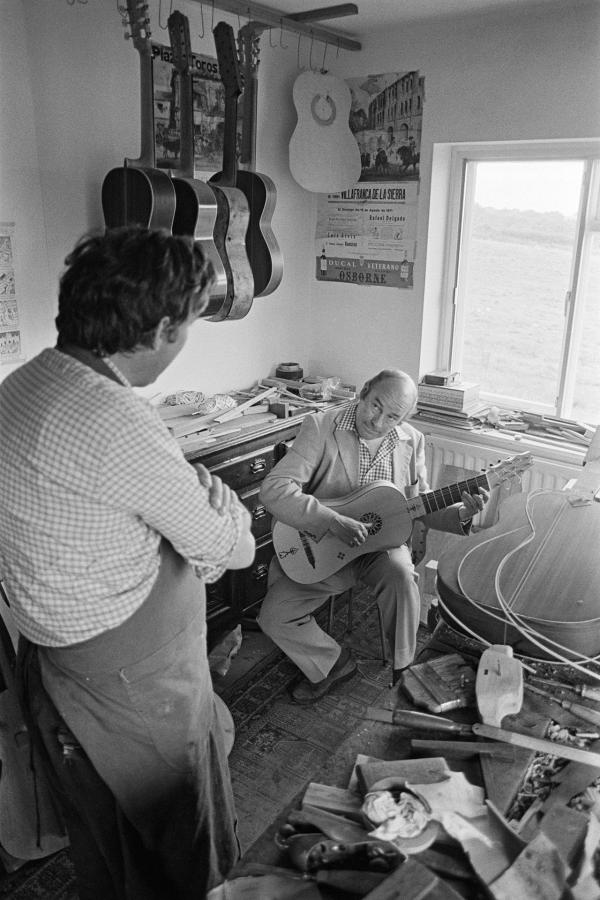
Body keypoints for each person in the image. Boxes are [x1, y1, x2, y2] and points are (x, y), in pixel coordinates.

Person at [0, 226, 255, 899]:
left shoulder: (18, 387)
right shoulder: (118, 423)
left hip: (60, 671)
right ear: (163, 328)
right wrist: (221, 503)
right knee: (180, 849)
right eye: (189, 326)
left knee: (106, 846)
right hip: (137, 690)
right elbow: (231, 546)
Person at [257, 369, 487, 704]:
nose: (378, 421)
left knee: (402, 573)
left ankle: (404, 670)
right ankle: (333, 664)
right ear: (364, 392)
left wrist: (464, 513)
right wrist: (331, 520)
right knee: (273, 617)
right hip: (324, 547)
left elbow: (416, 504)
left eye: (393, 416)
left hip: (380, 548)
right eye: (375, 406)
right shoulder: (322, 428)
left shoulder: (412, 441)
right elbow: (274, 489)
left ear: (404, 418)